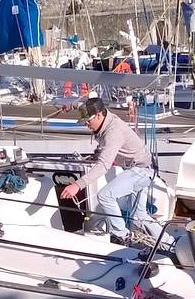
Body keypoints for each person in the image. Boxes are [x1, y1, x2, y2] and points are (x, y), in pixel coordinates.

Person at [60, 97, 160, 246]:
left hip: (140, 170)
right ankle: (169, 243)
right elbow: (82, 104)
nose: (87, 125)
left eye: (88, 121)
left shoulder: (113, 132)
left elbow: (103, 165)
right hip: (142, 168)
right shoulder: (100, 114)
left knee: (105, 195)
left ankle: (121, 235)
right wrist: (71, 105)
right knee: (139, 215)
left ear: (98, 115)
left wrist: (77, 185)